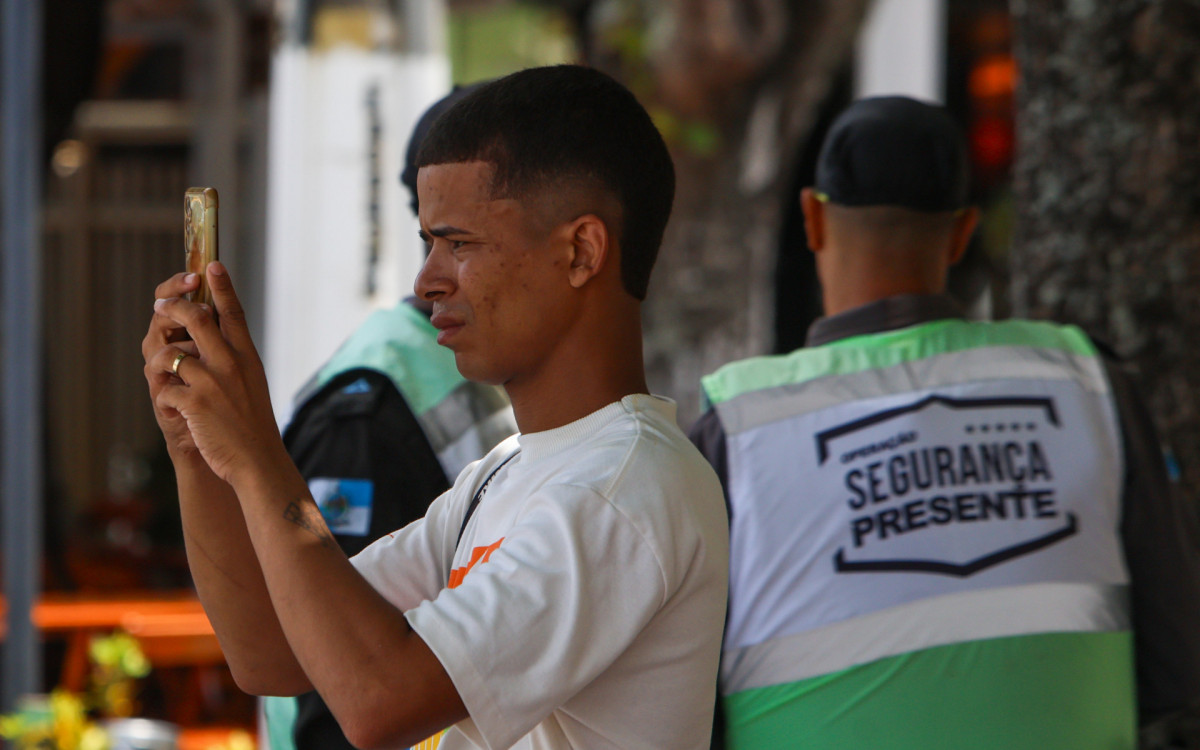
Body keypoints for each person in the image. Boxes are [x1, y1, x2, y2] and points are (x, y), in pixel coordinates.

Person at [143, 64, 729, 750]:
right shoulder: (504, 475)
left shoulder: (623, 487)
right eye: (428, 243)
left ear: (580, 251)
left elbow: (377, 704)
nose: (427, 282)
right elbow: (270, 652)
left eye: (459, 244)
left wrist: (255, 452)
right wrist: (197, 446)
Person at [691, 96, 1200, 749]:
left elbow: (675, 712)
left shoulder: (739, 429)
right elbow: (1175, 663)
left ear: (814, 219)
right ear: (962, 233)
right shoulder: (1082, 381)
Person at [262, 84, 516, 750]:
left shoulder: (514, 379)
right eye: (447, 240)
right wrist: (226, 452)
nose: (430, 281)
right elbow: (313, 673)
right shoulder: (368, 405)